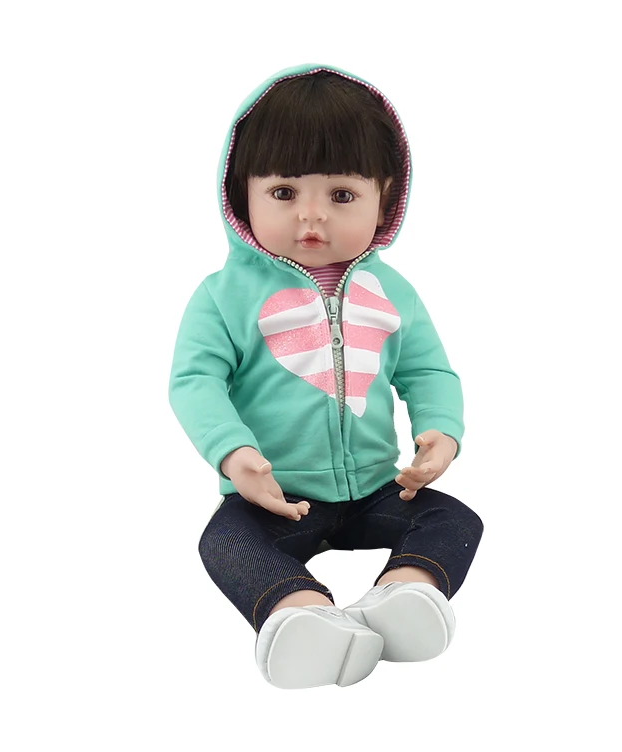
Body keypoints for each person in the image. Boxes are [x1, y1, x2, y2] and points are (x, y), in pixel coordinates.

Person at [169, 63, 484, 689]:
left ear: (385, 197)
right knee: (223, 542)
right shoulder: (222, 297)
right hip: (276, 497)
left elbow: (427, 370)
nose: (310, 218)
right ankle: (300, 611)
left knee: (456, 520)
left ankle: (403, 594)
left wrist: (441, 432)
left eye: (341, 196)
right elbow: (194, 381)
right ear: (240, 193)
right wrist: (234, 454)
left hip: (377, 489)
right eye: (284, 193)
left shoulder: (391, 292)